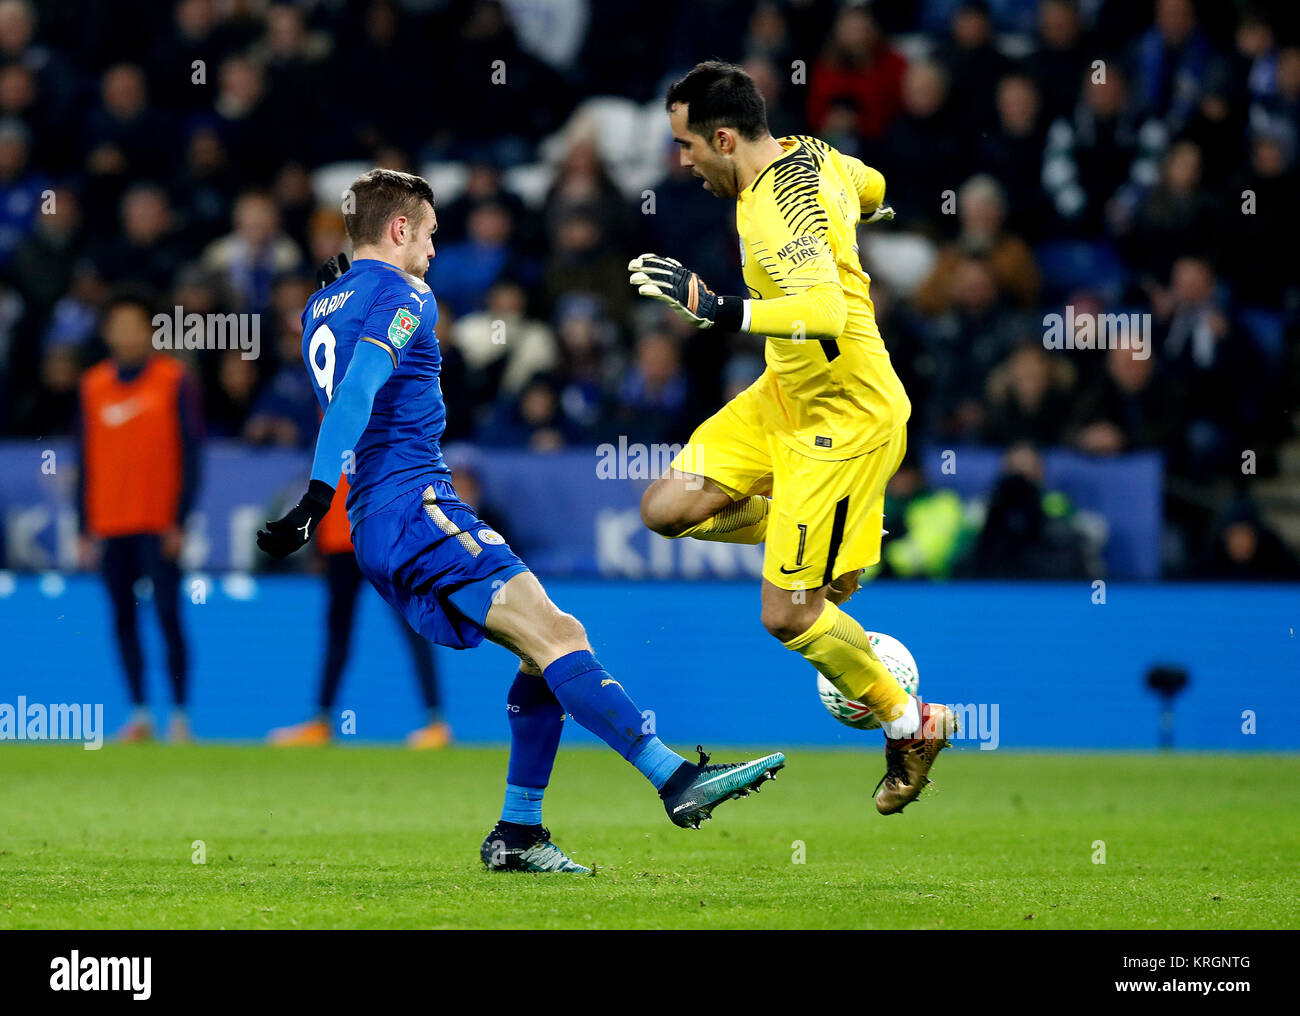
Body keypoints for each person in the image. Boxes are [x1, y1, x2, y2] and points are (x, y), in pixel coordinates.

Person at [256, 170, 784, 875]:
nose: (436, 252)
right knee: (560, 635)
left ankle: (518, 832)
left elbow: (345, 353)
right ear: (401, 230)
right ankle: (673, 780)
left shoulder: (320, 304)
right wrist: (316, 496)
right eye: (433, 235)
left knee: (546, 648)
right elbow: (357, 391)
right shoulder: (405, 294)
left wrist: (330, 497)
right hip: (416, 507)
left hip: (381, 522)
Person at [632, 62, 957, 816]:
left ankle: (911, 725)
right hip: (784, 391)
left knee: (788, 611)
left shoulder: (781, 213)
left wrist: (722, 310)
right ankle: (823, 532)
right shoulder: (811, 153)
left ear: (723, 137)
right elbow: (872, 186)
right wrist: (855, 215)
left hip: (843, 420)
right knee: (665, 506)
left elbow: (828, 313)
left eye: (686, 147)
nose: (682, 162)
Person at [77, 289, 201, 742]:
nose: (127, 334)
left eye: (135, 325)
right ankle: (141, 714)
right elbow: (84, 459)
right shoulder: (92, 386)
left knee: (168, 614)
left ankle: (182, 716)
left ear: (150, 332)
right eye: (119, 325)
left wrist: (179, 520)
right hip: (111, 523)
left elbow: (191, 456)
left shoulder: (173, 380)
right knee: (122, 618)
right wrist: (82, 527)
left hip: (158, 523)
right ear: (108, 333)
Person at [266, 471, 452, 749]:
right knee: (339, 631)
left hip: (383, 533)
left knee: (411, 625)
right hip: (341, 536)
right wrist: (319, 537)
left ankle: (436, 723)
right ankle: (321, 722)